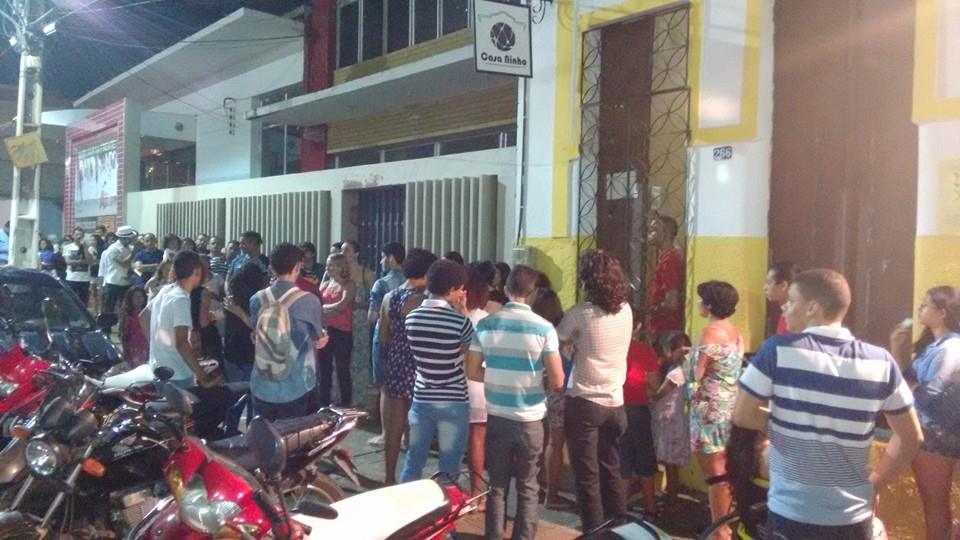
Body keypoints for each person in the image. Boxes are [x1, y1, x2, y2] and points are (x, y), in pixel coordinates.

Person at [734, 269, 922, 540]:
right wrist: (876, 483)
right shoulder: (881, 361)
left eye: (792, 301)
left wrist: (786, 424)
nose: (784, 309)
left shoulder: (777, 350)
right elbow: (911, 437)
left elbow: (742, 414)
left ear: (813, 307)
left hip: (792, 513)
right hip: (853, 517)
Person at [467, 265, 564, 540]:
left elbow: (471, 370)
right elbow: (558, 380)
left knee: (497, 485)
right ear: (532, 294)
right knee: (528, 486)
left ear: (506, 289)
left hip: (497, 415)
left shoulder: (486, 324)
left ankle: (493, 535)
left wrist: (496, 377)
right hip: (530, 419)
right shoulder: (544, 328)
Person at [556, 250, 633, 532]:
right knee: (611, 469)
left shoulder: (579, 313)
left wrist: (569, 350)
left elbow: (556, 340)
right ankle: (619, 529)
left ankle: (594, 532)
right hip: (616, 403)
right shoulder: (626, 310)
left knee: (587, 477)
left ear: (588, 280)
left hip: (585, 402)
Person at [890, 286, 960, 540]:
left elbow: (930, 392)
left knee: (935, 506)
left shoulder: (950, 347)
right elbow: (909, 381)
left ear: (942, 313)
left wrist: (908, 389)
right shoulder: (935, 346)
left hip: (936, 438)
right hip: (934, 435)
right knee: (935, 505)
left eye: (926, 304)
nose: (920, 308)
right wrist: (897, 349)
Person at [400, 259, 473, 483]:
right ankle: (445, 503)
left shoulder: (411, 319)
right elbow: (469, 352)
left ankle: (405, 500)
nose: (462, 293)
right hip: (453, 399)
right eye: (460, 289)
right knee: (449, 466)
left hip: (422, 396)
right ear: (451, 289)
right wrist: (463, 313)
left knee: (414, 460)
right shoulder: (459, 322)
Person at [688, 280, 744, 538]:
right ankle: (722, 525)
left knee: (714, 472)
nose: (699, 304)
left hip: (709, 410)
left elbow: (695, 374)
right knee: (722, 469)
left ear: (709, 305)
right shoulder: (734, 332)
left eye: (702, 300)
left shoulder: (710, 332)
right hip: (728, 407)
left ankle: (720, 530)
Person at [249, 243, 325, 421]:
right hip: (296, 384)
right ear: (298, 266)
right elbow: (317, 338)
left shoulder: (257, 299)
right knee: (293, 435)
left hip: (262, 382)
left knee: (263, 434)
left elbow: (255, 333)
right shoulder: (309, 300)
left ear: (271, 267)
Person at [380, 248, 437, 485]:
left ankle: (389, 477)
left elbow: (383, 337)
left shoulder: (389, 297)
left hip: (395, 365)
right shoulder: (427, 301)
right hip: (421, 368)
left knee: (393, 429)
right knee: (417, 430)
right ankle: (412, 480)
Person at [140, 251, 220, 389]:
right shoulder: (181, 299)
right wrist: (203, 377)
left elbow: (143, 317)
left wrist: (157, 347)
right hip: (177, 374)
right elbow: (181, 342)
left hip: (157, 368)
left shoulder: (166, 290)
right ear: (197, 271)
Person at [530, 287, 572, 510]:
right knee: (555, 443)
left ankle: (534, 487)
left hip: (534, 389)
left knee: (537, 440)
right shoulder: (560, 333)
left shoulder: (531, 330)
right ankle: (552, 495)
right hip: (558, 390)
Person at [620, 306, 661, 522]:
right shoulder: (644, 350)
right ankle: (650, 509)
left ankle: (618, 509)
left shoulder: (611, 347)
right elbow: (654, 384)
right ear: (637, 326)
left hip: (615, 407)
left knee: (622, 459)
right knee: (645, 459)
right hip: (638, 408)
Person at [462, 266, 496, 503]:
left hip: (456, 385)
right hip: (479, 385)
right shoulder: (486, 320)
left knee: (460, 441)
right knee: (477, 439)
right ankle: (476, 492)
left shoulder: (454, 317)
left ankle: (457, 491)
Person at [368, 242, 406, 446]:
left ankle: (386, 433)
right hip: (405, 341)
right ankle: (405, 436)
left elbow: (372, 316)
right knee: (406, 388)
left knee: (385, 387)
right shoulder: (411, 282)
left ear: (391, 258)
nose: (382, 261)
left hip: (383, 339)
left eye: (383, 257)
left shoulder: (382, 284)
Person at [650, 331, 691, 503]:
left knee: (670, 463)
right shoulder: (682, 370)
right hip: (672, 419)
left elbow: (660, 393)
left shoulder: (676, 374)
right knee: (670, 463)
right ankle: (671, 493)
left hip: (670, 420)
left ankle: (672, 496)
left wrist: (648, 388)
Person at [340, 240, 376, 409]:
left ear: (356, 254)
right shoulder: (336, 271)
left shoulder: (365, 273)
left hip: (359, 320)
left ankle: (359, 399)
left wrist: (360, 305)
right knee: (342, 359)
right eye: (341, 250)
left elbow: (375, 300)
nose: (343, 253)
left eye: (347, 250)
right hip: (340, 319)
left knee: (359, 359)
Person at [317, 253, 356, 407]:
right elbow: (317, 302)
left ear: (341, 267)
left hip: (342, 331)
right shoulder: (326, 284)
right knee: (324, 369)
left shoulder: (348, 284)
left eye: (331, 265)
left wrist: (325, 309)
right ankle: (324, 402)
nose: (328, 268)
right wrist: (326, 309)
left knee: (342, 369)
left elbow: (342, 305)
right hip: (326, 330)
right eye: (327, 265)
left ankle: (346, 403)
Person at [646, 214, 684, 337]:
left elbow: (671, 302)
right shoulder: (666, 257)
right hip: (661, 326)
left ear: (666, 233)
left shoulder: (670, 260)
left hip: (666, 328)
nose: (649, 233)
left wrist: (649, 310)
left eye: (654, 230)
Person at [100, 226, 138, 335]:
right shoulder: (113, 248)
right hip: (113, 282)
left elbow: (131, 265)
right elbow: (123, 263)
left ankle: (123, 330)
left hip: (126, 282)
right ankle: (106, 332)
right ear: (123, 238)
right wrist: (133, 253)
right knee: (109, 309)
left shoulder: (130, 248)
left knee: (126, 308)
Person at [764, 261, 800, 335]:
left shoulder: (795, 317)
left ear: (783, 285)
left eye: (769, 283)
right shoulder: (785, 311)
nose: (764, 288)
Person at [119, 287, 149, 367]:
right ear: (130, 299)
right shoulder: (127, 315)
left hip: (146, 346)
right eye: (136, 297)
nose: (139, 299)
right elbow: (123, 335)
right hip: (132, 348)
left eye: (141, 296)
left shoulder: (147, 313)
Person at [63, 227, 92, 307]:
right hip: (71, 278)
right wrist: (81, 262)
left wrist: (85, 247)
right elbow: (68, 261)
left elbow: (89, 261)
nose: (79, 236)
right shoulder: (67, 247)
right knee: (71, 301)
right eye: (77, 234)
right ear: (73, 236)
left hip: (84, 279)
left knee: (84, 302)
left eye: (81, 235)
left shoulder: (89, 247)